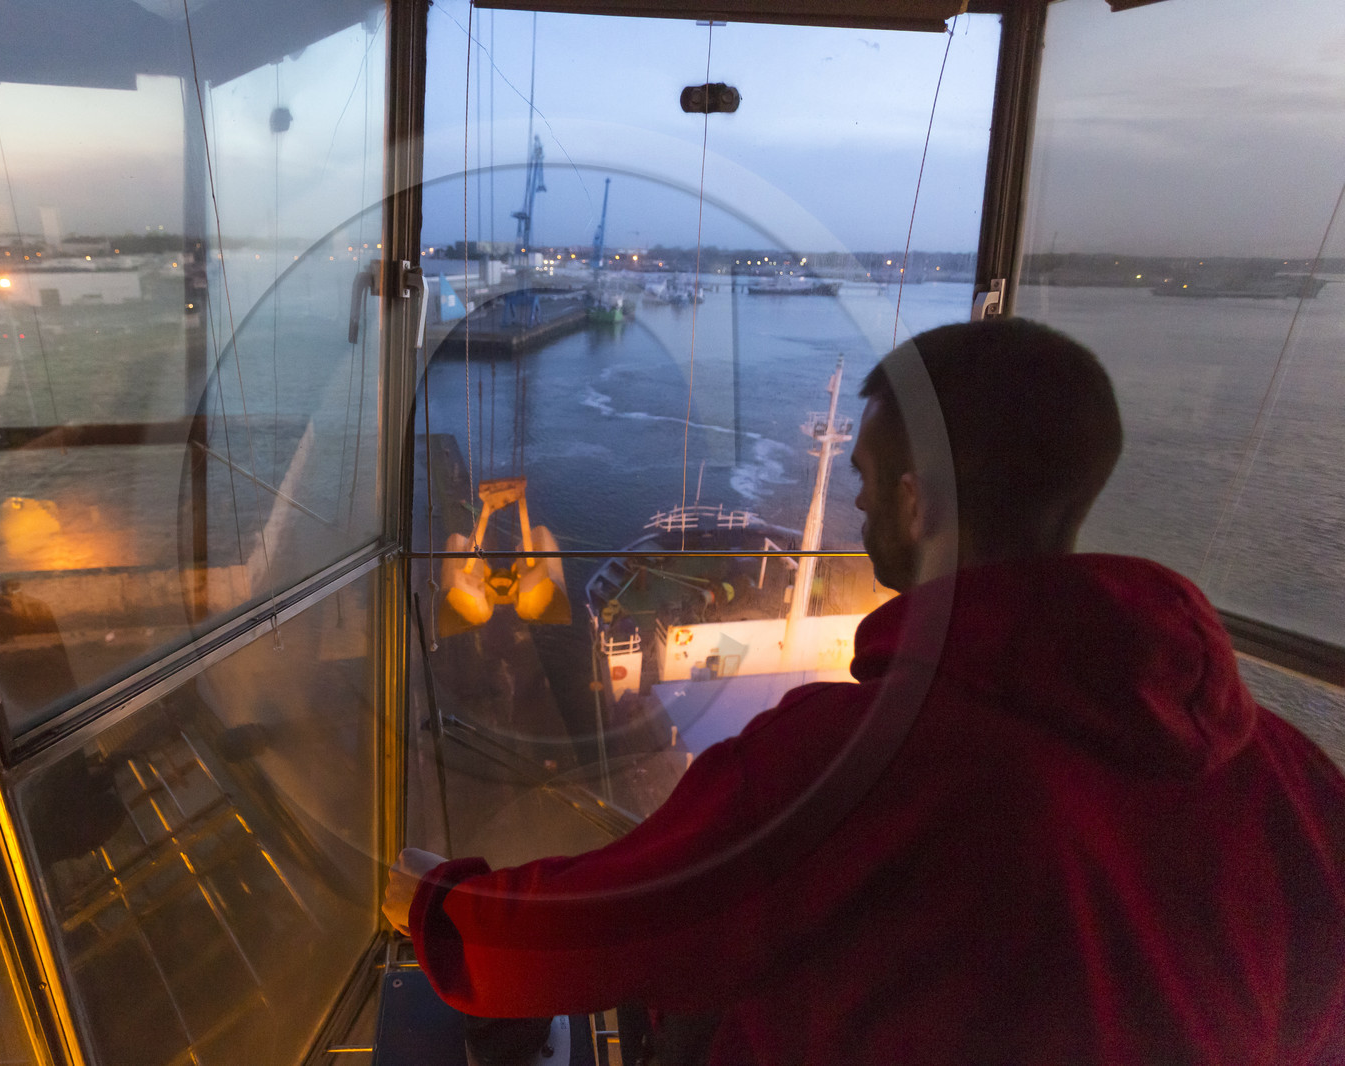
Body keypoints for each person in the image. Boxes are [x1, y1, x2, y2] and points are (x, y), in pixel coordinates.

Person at [382, 319, 1345, 1064]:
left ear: (919, 500)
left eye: (869, 480)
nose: (852, 505)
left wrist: (430, 903)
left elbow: (592, 935)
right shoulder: (1294, 775)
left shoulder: (851, 766)